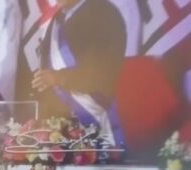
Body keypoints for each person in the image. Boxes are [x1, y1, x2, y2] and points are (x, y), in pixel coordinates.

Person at [32, 0, 127, 145]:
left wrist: (60, 78)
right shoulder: (57, 19)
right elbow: (47, 67)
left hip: (97, 120)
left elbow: (104, 71)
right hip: (60, 127)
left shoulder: (104, 13)